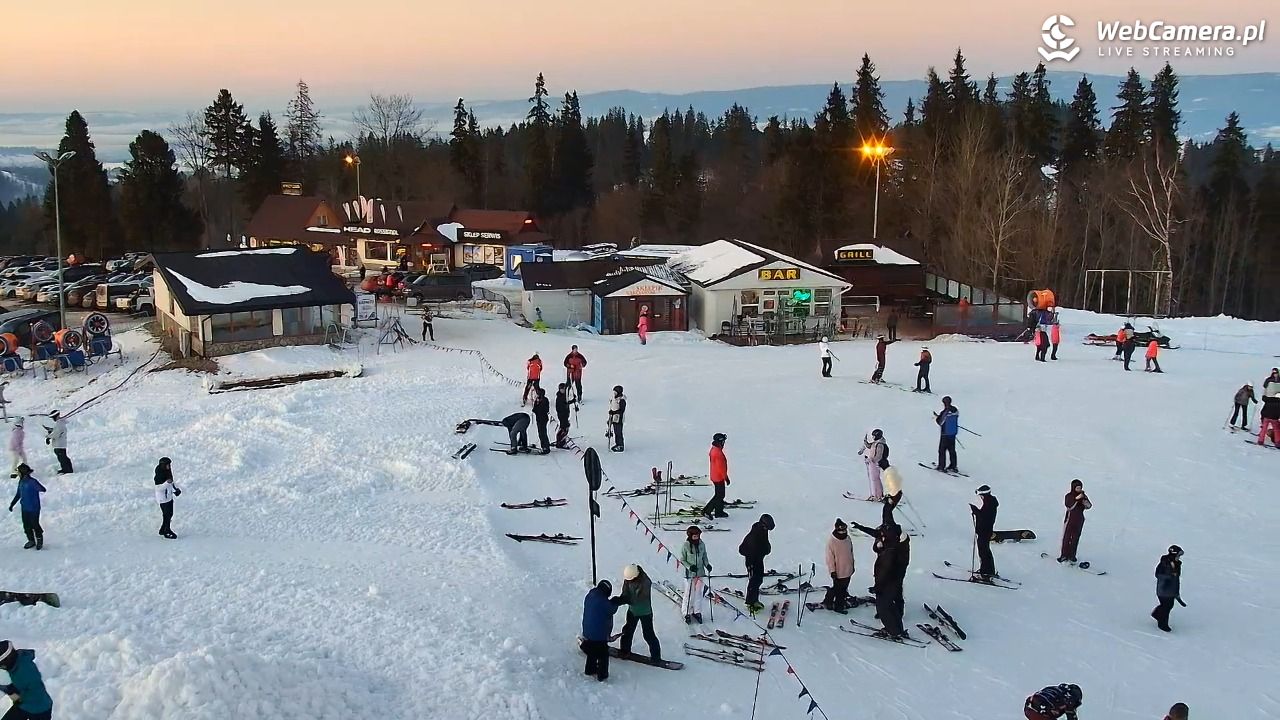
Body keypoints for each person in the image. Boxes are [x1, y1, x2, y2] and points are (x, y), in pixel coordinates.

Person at [613, 564, 661, 661]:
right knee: (627, 631)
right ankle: (624, 651)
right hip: (632, 611)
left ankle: (656, 657)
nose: (628, 582)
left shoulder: (646, 582)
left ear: (636, 576)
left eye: (630, 581)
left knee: (648, 635)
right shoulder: (628, 578)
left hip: (645, 612)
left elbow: (637, 599)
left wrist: (624, 600)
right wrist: (620, 599)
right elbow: (625, 593)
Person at [0, 639, 53, 720]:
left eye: (1, 665)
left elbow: (36, 692)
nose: (1, 667)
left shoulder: (27, 670)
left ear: (7, 659)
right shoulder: (13, 663)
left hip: (40, 709)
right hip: (23, 706)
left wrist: (15, 692)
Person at [872, 523, 908, 638]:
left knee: (884, 608)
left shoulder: (890, 551)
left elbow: (885, 570)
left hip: (887, 584)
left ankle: (892, 631)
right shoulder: (896, 545)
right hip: (893, 581)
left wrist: (877, 587)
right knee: (891, 607)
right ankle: (898, 629)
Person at [581, 580, 618, 682]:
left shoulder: (591, 595)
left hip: (587, 631)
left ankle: (589, 669)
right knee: (603, 654)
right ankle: (602, 675)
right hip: (598, 635)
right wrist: (615, 602)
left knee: (592, 652)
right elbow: (612, 609)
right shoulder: (604, 602)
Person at [738, 513, 774, 614]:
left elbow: (764, 544)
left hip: (758, 559)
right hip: (752, 561)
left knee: (759, 579)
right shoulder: (754, 534)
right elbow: (743, 549)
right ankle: (750, 602)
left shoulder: (763, 530)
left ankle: (755, 600)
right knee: (754, 580)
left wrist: (766, 549)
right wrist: (755, 554)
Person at [679, 525, 712, 624]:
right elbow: (682, 559)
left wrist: (707, 565)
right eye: (694, 536)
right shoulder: (686, 545)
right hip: (690, 574)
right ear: (690, 536)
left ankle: (697, 612)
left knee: (698, 593)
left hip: (700, 573)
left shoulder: (702, 544)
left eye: (698, 536)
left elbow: (704, 556)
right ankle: (686, 613)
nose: (696, 538)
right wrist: (689, 567)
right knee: (689, 594)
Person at [7, 464, 45, 550]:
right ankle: (31, 540)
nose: (18, 474)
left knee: (35, 524)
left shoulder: (32, 482)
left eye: (19, 472)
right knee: (26, 525)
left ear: (23, 473)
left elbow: (43, 489)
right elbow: (18, 494)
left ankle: (39, 539)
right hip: (24, 508)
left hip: (34, 508)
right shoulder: (21, 482)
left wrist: (36, 488)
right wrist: (12, 504)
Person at [823, 518, 854, 613]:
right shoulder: (832, 541)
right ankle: (838, 606)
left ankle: (829, 601)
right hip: (838, 571)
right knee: (839, 590)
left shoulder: (848, 538)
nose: (844, 532)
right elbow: (830, 558)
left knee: (843, 589)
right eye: (842, 530)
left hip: (848, 569)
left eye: (845, 530)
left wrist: (852, 566)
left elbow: (851, 553)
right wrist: (832, 571)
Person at [1151, 545, 1183, 632]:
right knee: (1166, 606)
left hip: (1171, 589)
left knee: (1169, 605)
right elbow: (1158, 574)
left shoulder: (1176, 564)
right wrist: (1169, 576)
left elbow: (1176, 578)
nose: (1179, 558)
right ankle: (1162, 624)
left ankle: (1157, 614)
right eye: (1178, 556)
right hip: (1163, 590)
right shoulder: (1164, 563)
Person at [1059, 479, 1091, 563]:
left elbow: (1089, 506)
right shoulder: (1069, 496)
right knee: (1067, 538)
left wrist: (1084, 500)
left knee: (1075, 538)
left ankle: (1072, 555)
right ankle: (1064, 555)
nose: (1079, 489)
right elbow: (1070, 506)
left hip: (1079, 520)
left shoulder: (1083, 496)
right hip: (1070, 519)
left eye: (1080, 488)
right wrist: (1076, 499)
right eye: (1077, 488)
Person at [970, 485, 998, 578]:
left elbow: (984, 517)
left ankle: (987, 573)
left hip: (985, 531)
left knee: (984, 552)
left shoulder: (989, 503)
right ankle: (986, 570)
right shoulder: (989, 502)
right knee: (984, 551)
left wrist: (975, 511)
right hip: (984, 530)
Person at [703, 433, 730, 520]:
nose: (724, 443)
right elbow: (721, 468)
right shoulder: (718, 453)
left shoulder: (714, 449)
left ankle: (719, 511)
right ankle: (707, 511)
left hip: (716, 475)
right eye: (723, 441)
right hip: (718, 477)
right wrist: (726, 477)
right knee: (719, 495)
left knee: (720, 495)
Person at [154, 457, 181, 539]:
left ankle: (163, 529)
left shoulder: (168, 472)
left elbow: (171, 483)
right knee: (167, 514)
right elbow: (158, 488)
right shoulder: (159, 475)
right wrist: (166, 483)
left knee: (169, 514)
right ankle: (167, 531)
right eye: (167, 465)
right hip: (163, 499)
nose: (169, 466)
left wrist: (175, 490)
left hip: (169, 497)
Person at [860, 429, 888, 500]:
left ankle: (877, 495)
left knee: (875, 479)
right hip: (872, 463)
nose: (872, 437)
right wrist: (865, 442)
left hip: (875, 464)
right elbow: (870, 446)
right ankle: (875, 494)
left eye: (873, 436)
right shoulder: (876, 443)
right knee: (873, 479)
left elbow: (879, 456)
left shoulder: (880, 445)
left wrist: (871, 460)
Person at [935, 396, 959, 472]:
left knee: (942, 450)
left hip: (945, 434)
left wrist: (939, 417)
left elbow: (940, 422)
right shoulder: (955, 410)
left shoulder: (945, 412)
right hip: (953, 433)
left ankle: (941, 466)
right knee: (952, 450)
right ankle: (953, 465)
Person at [43, 410, 71, 474]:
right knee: (63, 458)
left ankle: (67, 470)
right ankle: (67, 469)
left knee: (62, 458)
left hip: (59, 445)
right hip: (60, 444)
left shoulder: (59, 424)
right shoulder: (60, 424)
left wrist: (48, 437)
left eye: (54, 417)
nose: (53, 419)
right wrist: (51, 430)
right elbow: (57, 431)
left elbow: (56, 434)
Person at [607, 385, 626, 452]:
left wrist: (614, 412)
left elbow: (621, 410)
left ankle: (620, 445)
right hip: (614, 418)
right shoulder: (615, 399)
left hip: (619, 419)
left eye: (615, 392)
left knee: (618, 432)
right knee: (616, 432)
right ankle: (617, 444)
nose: (614, 393)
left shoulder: (621, 400)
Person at [532, 388, 551, 454]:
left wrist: (539, 404)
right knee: (541, 433)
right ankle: (544, 445)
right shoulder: (537, 400)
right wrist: (536, 404)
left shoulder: (545, 400)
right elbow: (534, 409)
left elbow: (546, 410)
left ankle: (546, 446)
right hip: (539, 418)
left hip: (543, 418)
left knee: (543, 433)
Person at [554, 383, 573, 448]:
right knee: (564, 428)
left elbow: (566, 403)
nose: (563, 390)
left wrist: (572, 401)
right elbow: (562, 405)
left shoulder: (564, 396)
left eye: (564, 389)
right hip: (562, 415)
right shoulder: (559, 397)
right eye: (562, 389)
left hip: (565, 414)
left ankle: (560, 441)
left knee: (564, 427)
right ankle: (561, 442)